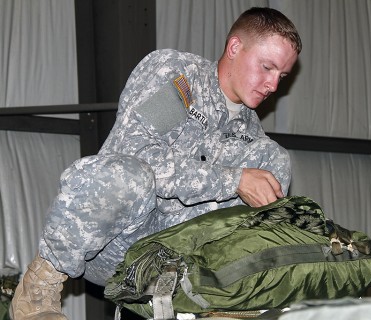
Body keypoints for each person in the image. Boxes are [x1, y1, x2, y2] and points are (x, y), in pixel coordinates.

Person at [9, 6, 302, 320]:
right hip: (118, 245)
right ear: (234, 47)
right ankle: (38, 291)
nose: (273, 85)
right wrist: (234, 179)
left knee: (275, 160)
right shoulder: (182, 82)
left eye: (281, 76)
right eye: (267, 67)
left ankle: (222, 300)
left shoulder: (251, 136)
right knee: (124, 176)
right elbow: (140, 154)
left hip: (174, 268)